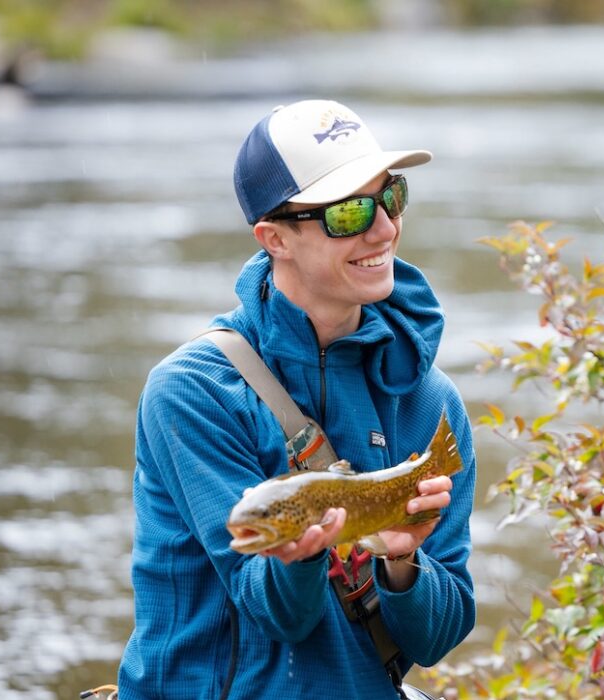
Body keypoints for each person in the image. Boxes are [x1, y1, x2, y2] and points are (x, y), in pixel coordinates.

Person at [117, 99, 476, 699]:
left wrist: (402, 564)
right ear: (274, 237)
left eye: (390, 197)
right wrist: (301, 560)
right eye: (349, 212)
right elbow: (279, 618)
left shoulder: (431, 402)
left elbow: (437, 639)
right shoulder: (193, 391)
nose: (383, 228)